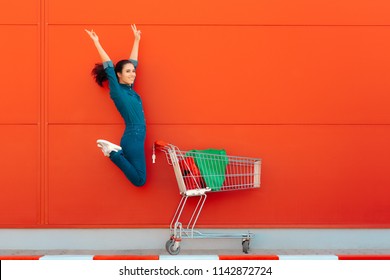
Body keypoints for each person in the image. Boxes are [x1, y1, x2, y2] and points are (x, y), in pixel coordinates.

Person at [85, 25, 146, 187]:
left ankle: (115, 153)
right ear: (119, 75)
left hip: (136, 137)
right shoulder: (118, 92)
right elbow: (109, 67)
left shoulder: (129, 89)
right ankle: (114, 153)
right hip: (133, 138)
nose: (133, 74)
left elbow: (133, 62)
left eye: (133, 71)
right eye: (128, 72)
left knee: (140, 179)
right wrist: (97, 42)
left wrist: (136, 40)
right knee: (140, 181)